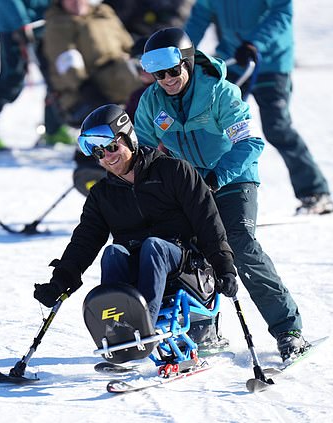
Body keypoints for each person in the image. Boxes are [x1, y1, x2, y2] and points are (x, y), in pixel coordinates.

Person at [134, 28, 306, 360]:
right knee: (186, 249)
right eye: (158, 73)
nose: (166, 79)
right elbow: (141, 149)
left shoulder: (219, 93)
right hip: (190, 183)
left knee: (238, 245)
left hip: (234, 179)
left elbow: (250, 143)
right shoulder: (152, 102)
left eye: (173, 70)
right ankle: (202, 329)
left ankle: (288, 329)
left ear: (188, 62)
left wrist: (215, 178)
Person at [33, 104, 238, 331]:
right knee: (113, 253)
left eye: (111, 146)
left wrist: (224, 267)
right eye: (99, 153)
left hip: (188, 270)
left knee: (154, 247)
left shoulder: (175, 171)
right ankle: (115, 333)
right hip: (137, 275)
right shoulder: (102, 194)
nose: (107, 157)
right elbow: (84, 242)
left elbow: (208, 222)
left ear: (129, 139)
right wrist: (60, 282)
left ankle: (143, 329)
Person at [184, 0, 333, 215]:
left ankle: (315, 192)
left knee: (277, 127)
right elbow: (199, 17)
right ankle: (215, 195)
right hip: (233, 59)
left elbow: (281, 12)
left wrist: (255, 43)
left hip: (270, 61)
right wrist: (181, 51)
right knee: (212, 125)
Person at [0, 0, 71, 150]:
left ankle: (54, 128)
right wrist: (19, 23)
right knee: (11, 81)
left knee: (57, 78)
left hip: (46, 22)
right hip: (14, 26)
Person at [42, 0, 142, 128]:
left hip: (122, 70)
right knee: (144, 82)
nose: (77, 2)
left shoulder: (104, 13)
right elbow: (67, 62)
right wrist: (85, 87)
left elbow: (128, 45)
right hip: (95, 85)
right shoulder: (59, 24)